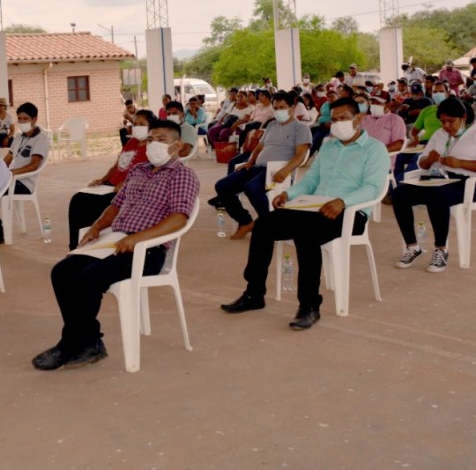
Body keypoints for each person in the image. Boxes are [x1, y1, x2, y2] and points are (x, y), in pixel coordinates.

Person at [32, 120, 200, 370]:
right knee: (62, 271)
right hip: (114, 240)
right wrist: (97, 227)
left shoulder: (182, 175)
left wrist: (138, 238)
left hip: (147, 250)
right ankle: (89, 342)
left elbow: (179, 218)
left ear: (177, 146)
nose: (154, 144)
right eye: (151, 139)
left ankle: (70, 344)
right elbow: (116, 205)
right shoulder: (139, 170)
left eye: (162, 139)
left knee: (89, 279)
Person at [221, 98, 389, 330]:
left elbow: (372, 187)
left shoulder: (375, 149)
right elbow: (310, 181)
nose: (338, 124)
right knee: (264, 225)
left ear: (358, 119)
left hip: (351, 213)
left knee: (306, 234)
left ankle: (309, 305)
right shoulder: (329, 146)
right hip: (313, 207)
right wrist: (289, 194)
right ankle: (254, 294)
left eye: (343, 119)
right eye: (334, 120)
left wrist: (343, 201)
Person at [392, 98, 476, 272]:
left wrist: (461, 163)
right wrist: (429, 159)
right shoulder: (439, 134)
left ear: (463, 117)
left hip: (468, 183)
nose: (447, 126)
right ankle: (412, 247)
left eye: (451, 121)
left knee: (437, 195)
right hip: (438, 178)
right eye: (442, 121)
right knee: (399, 194)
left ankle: (441, 249)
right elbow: (422, 163)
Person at [214, 91, 311, 240]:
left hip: (278, 171)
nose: (279, 111)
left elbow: (301, 155)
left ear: (292, 108)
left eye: (282, 107)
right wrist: (250, 162)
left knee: (252, 188)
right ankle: (245, 222)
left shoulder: (301, 128)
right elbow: (259, 147)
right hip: (258, 167)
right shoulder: (272, 124)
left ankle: (272, 224)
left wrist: (285, 171)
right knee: (222, 186)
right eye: (276, 108)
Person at [67, 110, 153, 249]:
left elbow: (151, 172)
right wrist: (102, 179)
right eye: (134, 124)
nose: (136, 127)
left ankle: (91, 243)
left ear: (151, 126)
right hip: (110, 185)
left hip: (127, 191)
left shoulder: (152, 148)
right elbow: (117, 166)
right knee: (78, 199)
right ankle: (75, 245)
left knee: (92, 205)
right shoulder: (131, 142)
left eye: (141, 124)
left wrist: (127, 183)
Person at [4, 102, 49, 194]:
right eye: (19, 118)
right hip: (12, 178)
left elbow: (33, 166)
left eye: (25, 118)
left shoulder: (41, 138)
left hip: (25, 183)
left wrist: (11, 173)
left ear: (34, 119)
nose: (21, 121)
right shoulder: (18, 137)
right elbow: (8, 158)